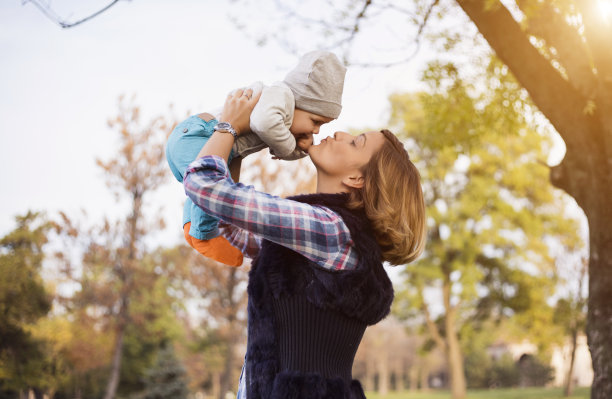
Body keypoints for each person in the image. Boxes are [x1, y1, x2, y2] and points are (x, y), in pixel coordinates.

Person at [183, 87, 426, 399]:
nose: (340, 133)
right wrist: (242, 145)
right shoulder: (327, 232)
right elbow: (230, 226)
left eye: (355, 142)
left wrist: (229, 126)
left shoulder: (329, 230)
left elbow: (203, 185)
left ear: (356, 179)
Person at [166, 50, 346, 266]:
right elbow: (264, 123)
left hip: (199, 139)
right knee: (212, 189)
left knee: (214, 189)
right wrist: (288, 147)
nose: (316, 131)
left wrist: (300, 149)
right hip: (201, 136)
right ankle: (203, 234)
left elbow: (282, 144)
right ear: (301, 102)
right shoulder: (282, 95)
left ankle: (194, 226)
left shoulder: (286, 110)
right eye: (315, 121)